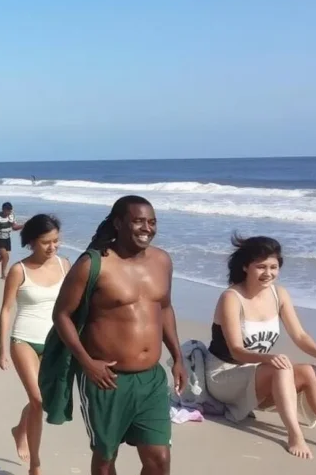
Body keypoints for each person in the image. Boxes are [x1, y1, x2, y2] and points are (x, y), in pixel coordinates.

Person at [49, 195, 184, 475]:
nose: (147, 228)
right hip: (107, 379)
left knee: (159, 459)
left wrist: (178, 357)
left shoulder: (162, 261)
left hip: (151, 379)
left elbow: (166, 308)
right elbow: (61, 315)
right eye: (138, 221)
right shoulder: (94, 264)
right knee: (105, 458)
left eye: (152, 222)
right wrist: (87, 363)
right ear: (119, 223)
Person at [206, 235, 316, 460]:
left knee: (311, 371)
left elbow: (300, 335)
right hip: (224, 375)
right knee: (281, 366)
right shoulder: (232, 297)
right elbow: (236, 350)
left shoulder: (279, 294)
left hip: (257, 374)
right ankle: (295, 436)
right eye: (261, 267)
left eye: (274, 267)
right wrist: (267, 358)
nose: (268, 273)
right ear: (246, 266)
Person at [0, 214, 70, 475]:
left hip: (55, 342)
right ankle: (36, 466)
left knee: (42, 399)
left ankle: (20, 429)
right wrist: (2, 348)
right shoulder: (19, 270)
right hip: (24, 340)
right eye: (45, 242)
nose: (52, 247)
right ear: (31, 242)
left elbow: (74, 306)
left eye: (56, 241)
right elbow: (6, 309)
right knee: (38, 400)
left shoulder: (65, 265)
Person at [0, 202, 23, 278]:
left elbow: (14, 227)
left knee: (3, 257)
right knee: (6, 257)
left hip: (7, 238)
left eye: (10, 210)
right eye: (8, 211)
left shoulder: (11, 216)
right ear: (3, 209)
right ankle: (3, 275)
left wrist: (23, 226)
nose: (9, 212)